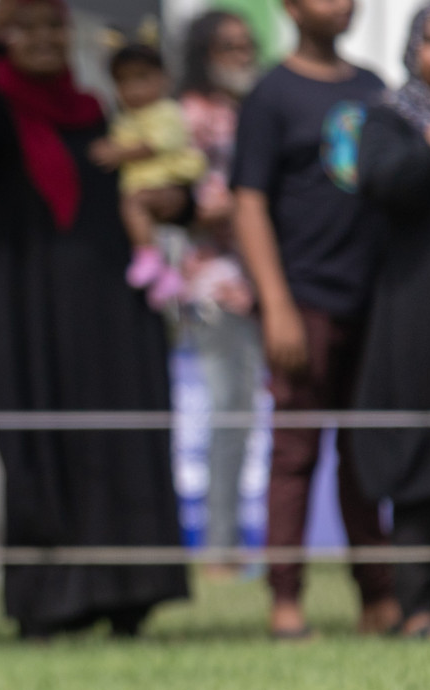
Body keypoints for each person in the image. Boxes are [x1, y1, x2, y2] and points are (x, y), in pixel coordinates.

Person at [0, 0, 188, 639]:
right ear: (5, 35)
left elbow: (155, 177)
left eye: (56, 27)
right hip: (34, 315)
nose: (47, 40)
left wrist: (174, 200)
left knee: (120, 440)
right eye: (29, 28)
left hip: (114, 311)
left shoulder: (96, 111)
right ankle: (54, 604)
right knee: (42, 443)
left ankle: (132, 594)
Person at [231, 0, 398, 639]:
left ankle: (378, 596)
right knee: (295, 454)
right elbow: (248, 205)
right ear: (290, 8)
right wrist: (276, 305)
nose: (342, 5)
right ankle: (285, 601)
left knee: (367, 457)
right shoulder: (270, 95)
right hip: (303, 301)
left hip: (373, 303)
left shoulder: (372, 89)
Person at [355, 1, 430, 640]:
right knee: (421, 463)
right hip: (420, 318)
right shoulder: (387, 117)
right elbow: (386, 183)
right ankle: (417, 610)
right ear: (413, 50)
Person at [179, 10, 262, 574]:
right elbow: (193, 205)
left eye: (245, 45)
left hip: (266, 284)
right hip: (216, 289)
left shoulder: (254, 108)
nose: (239, 55)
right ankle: (220, 549)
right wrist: (255, 206)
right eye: (226, 46)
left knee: (245, 418)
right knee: (229, 415)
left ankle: (232, 542)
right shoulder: (189, 115)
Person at [92, 43, 206, 308]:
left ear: (163, 78)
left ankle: (149, 258)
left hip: (164, 183)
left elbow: (159, 143)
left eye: (141, 77)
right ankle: (164, 275)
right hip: (144, 188)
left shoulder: (166, 111)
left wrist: (117, 153)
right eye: (123, 81)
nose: (133, 88)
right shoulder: (124, 117)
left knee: (135, 205)